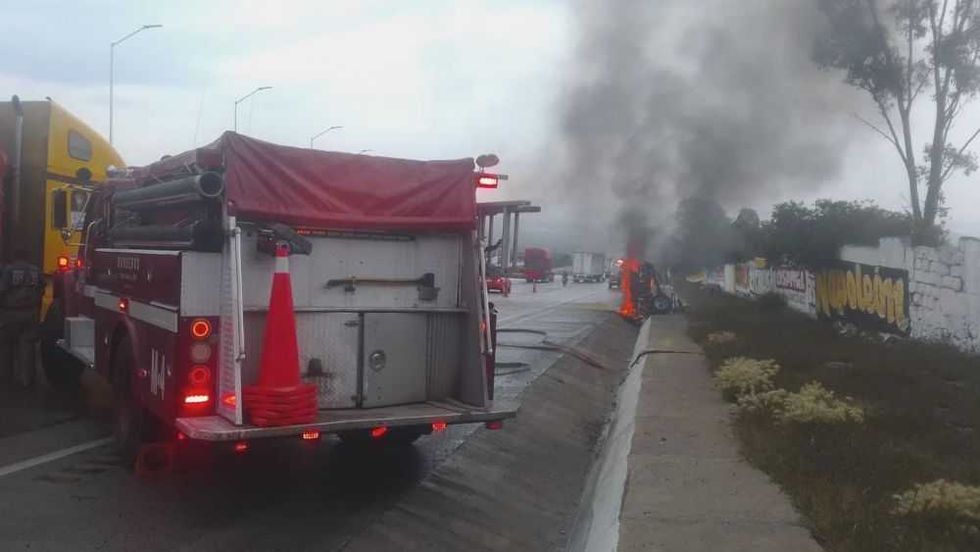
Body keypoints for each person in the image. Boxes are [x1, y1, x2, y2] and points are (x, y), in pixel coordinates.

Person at [0, 249, 44, 388]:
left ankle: (6, 378)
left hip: (10, 313)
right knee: (28, 346)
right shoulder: (36, 270)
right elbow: (41, 290)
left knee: (6, 346)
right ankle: (26, 380)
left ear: (15, 257)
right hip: (30, 313)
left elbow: (2, 290)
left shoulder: (8, 270)